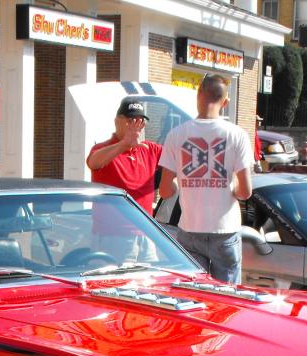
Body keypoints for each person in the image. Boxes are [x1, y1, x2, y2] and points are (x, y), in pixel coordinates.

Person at [157, 74, 254, 284]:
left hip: (190, 229)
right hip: (225, 230)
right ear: (225, 102)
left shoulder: (176, 135)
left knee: (196, 296)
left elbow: (164, 191)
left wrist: (179, 184)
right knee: (227, 301)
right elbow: (245, 192)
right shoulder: (237, 135)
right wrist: (232, 187)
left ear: (198, 94)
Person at [86, 96, 163, 261]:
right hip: (113, 237)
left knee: (150, 285)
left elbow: (177, 157)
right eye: (131, 120)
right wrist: (124, 144)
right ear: (117, 121)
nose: (136, 126)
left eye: (140, 121)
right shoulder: (103, 149)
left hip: (147, 234)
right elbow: (93, 162)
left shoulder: (150, 150)